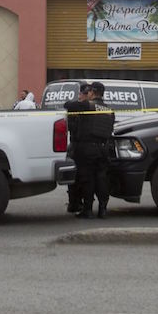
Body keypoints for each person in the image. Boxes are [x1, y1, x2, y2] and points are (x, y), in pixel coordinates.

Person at [64, 81, 115, 218]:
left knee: (88, 179)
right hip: (104, 149)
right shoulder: (109, 109)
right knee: (101, 178)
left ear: (92, 92)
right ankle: (103, 209)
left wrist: (81, 100)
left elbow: (67, 106)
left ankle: (87, 210)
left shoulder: (88, 105)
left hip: (87, 149)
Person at [64, 83, 91, 214]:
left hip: (83, 146)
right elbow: (67, 106)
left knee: (83, 177)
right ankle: (75, 203)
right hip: (77, 145)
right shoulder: (78, 106)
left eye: (85, 94)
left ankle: (79, 204)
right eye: (82, 94)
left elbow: (68, 105)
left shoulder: (87, 106)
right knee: (78, 177)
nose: (83, 96)